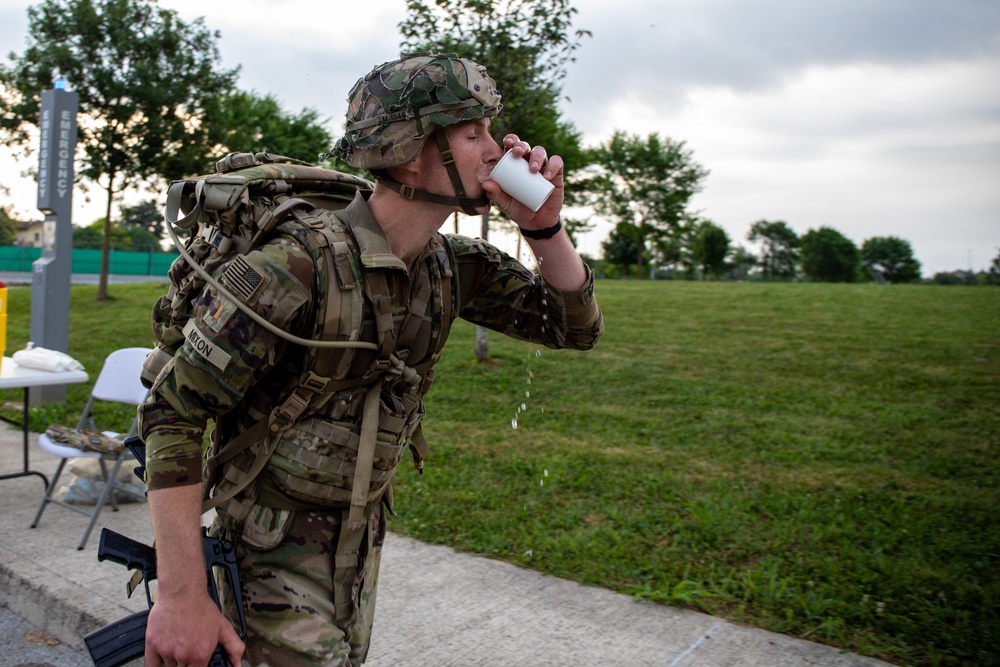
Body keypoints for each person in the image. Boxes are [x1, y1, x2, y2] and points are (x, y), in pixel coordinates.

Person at [138, 53, 604, 667]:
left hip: (357, 547)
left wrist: (546, 229)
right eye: (472, 133)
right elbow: (172, 410)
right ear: (410, 151)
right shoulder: (294, 267)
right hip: (265, 547)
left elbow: (572, 328)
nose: (497, 151)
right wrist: (180, 594)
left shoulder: (450, 267)